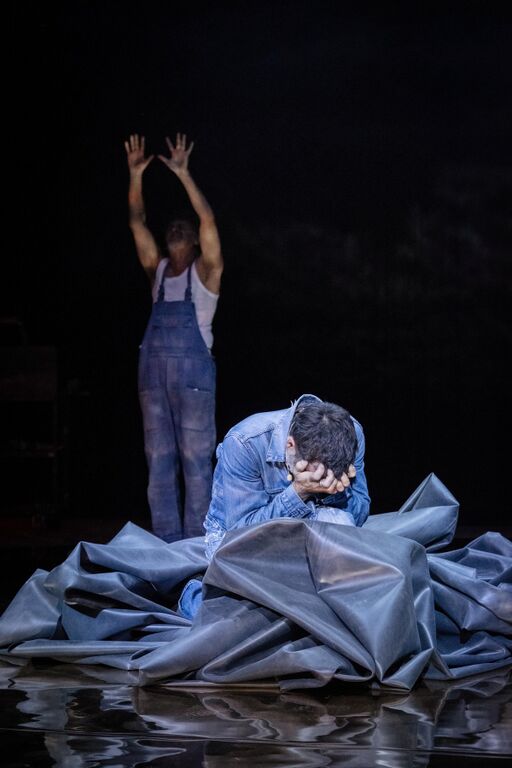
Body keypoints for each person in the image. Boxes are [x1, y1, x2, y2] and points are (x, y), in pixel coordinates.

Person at [178, 393, 370, 617]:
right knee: (258, 615)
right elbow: (240, 534)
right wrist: (299, 492)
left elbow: (360, 511)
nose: (322, 480)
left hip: (312, 524)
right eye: (317, 474)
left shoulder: (350, 434)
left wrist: (332, 494)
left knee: (341, 529)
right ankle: (197, 597)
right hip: (236, 535)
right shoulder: (245, 442)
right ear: (290, 445)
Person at [124, 132, 223, 542]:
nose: (177, 228)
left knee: (196, 462)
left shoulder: (207, 273)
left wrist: (183, 174)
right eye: (173, 225)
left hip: (193, 381)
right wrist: (135, 176)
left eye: (185, 226)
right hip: (154, 380)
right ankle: (166, 547)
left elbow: (209, 221)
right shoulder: (159, 272)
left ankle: (197, 549)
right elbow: (136, 222)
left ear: (196, 240)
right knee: (158, 462)